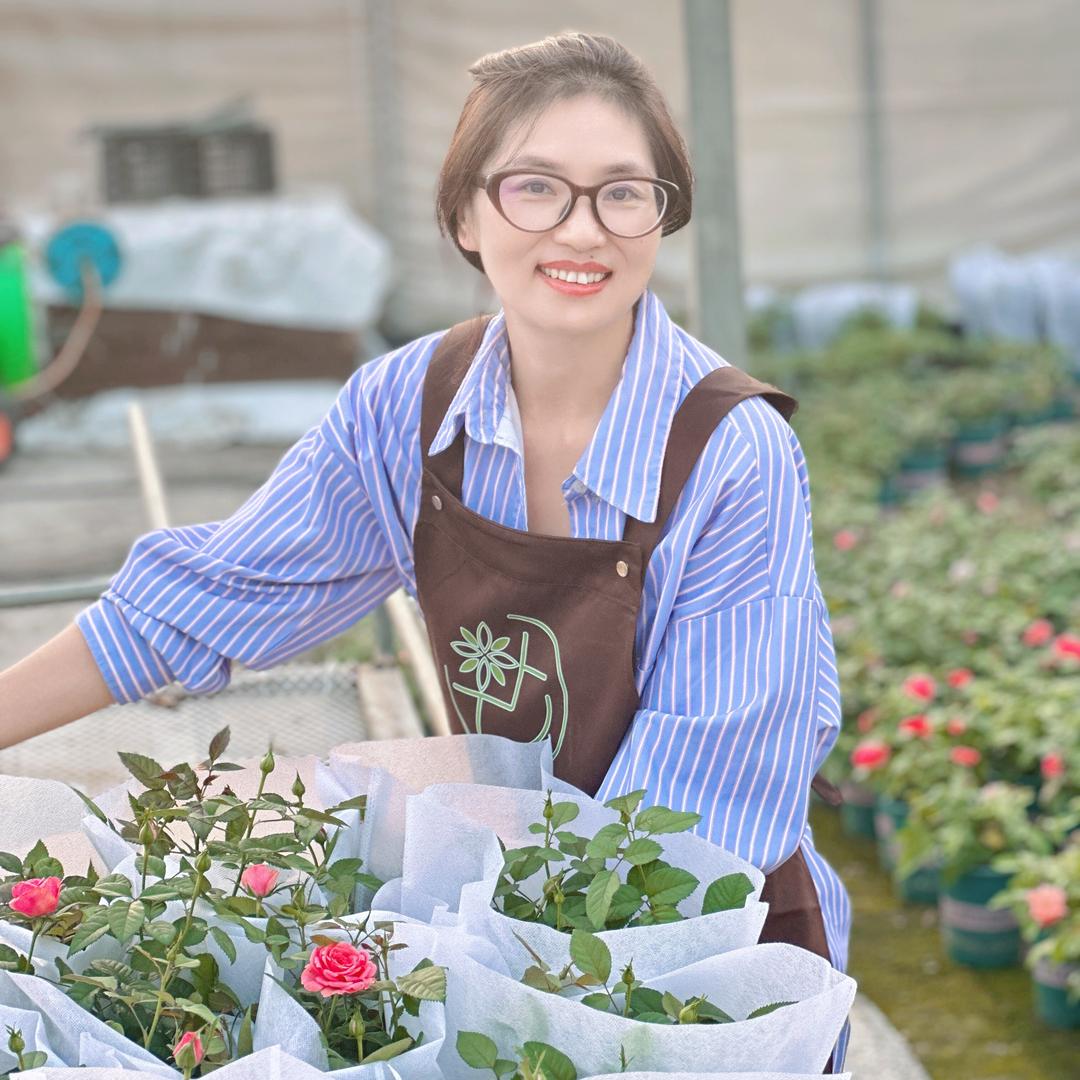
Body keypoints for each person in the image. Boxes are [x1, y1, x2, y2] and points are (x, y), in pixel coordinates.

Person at [0, 31, 851, 1070]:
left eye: (625, 192)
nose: (582, 229)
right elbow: (198, 602)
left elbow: (687, 818)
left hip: (699, 975)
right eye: (536, 188)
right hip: (512, 933)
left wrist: (447, 945)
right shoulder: (408, 408)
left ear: (663, 216)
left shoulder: (729, 455)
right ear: (463, 213)